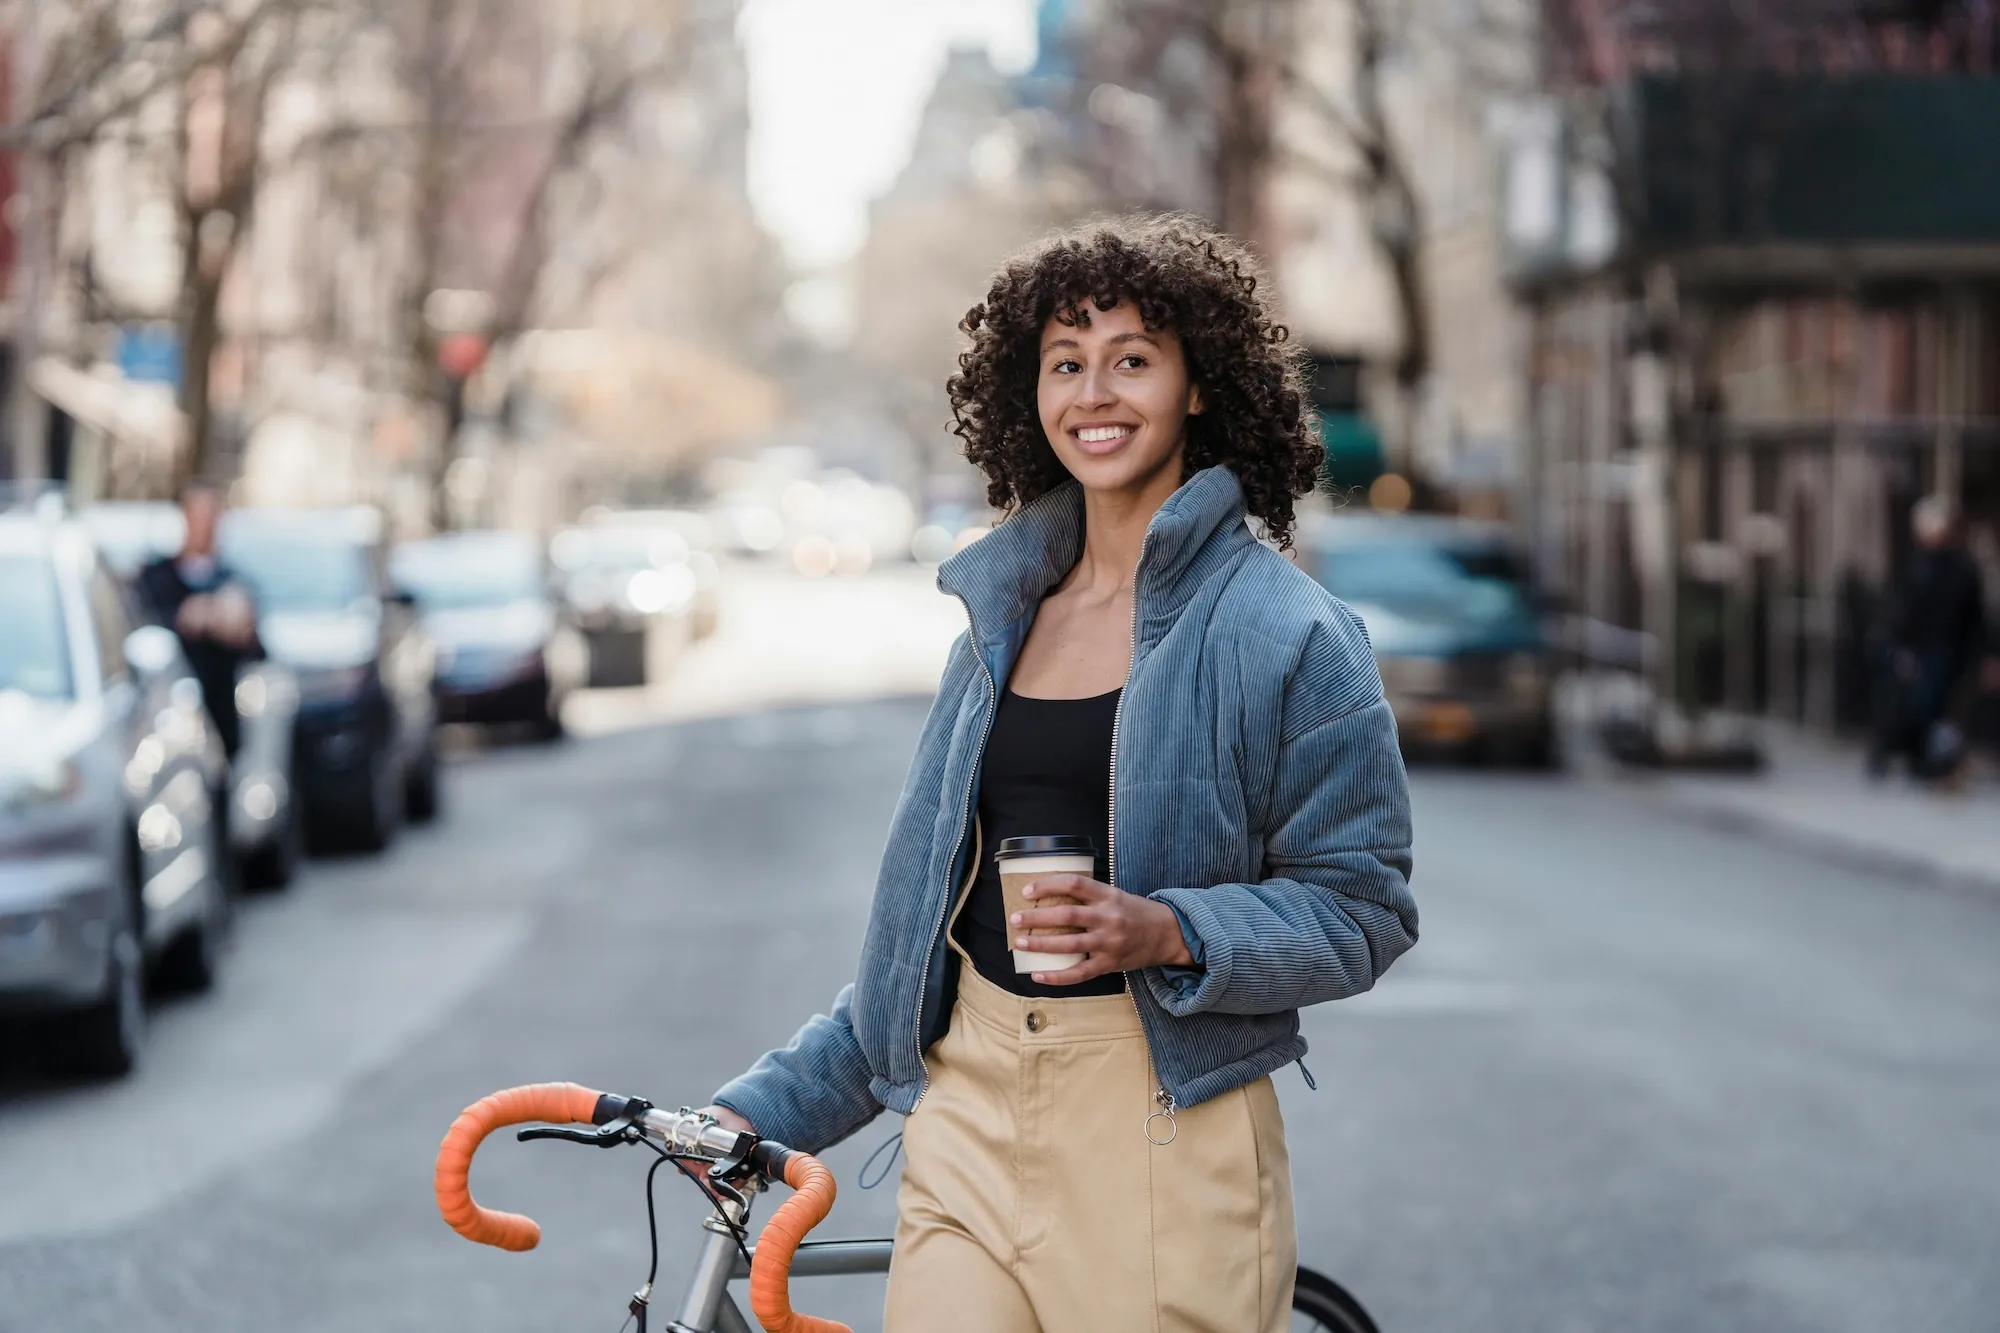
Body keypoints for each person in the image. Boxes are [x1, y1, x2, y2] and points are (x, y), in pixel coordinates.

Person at [704, 217, 1417, 1332]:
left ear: (1197, 387)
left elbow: (1363, 908)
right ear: (1026, 397)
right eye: (1065, 364)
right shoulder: (995, 621)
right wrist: (753, 1115)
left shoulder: (1289, 630)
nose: (1097, 392)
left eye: (1133, 358)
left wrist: (1163, 928)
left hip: (1158, 1135)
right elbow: (914, 949)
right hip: (968, 1117)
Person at [137, 480, 262, 757]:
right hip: (167, 719)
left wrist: (239, 626)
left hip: (220, 716)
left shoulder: (234, 581)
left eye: (212, 516)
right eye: (198, 515)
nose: (205, 525)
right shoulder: (154, 576)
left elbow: (258, 651)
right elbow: (143, 629)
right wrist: (190, 617)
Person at [1868, 495, 1985, 781]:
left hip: (1944, 651)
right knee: (1912, 706)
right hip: (1921, 651)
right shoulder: (1918, 567)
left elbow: (1971, 617)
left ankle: (1929, 760)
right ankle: (1909, 756)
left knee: (1934, 709)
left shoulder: (1958, 569)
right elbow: (1902, 611)